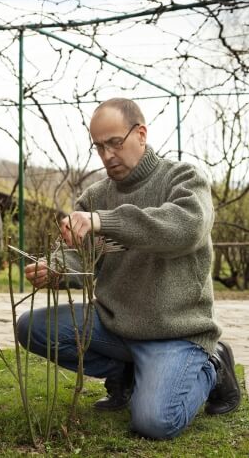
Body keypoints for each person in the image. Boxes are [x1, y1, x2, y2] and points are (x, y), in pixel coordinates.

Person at [18, 97, 241, 440]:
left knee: (154, 422)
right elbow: (83, 255)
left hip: (175, 332)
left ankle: (212, 364)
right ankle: (125, 369)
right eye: (99, 146)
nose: (107, 155)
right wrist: (57, 268)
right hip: (114, 326)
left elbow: (186, 229)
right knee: (31, 327)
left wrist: (104, 221)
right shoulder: (94, 196)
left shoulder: (183, 177)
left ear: (141, 133)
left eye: (114, 143)